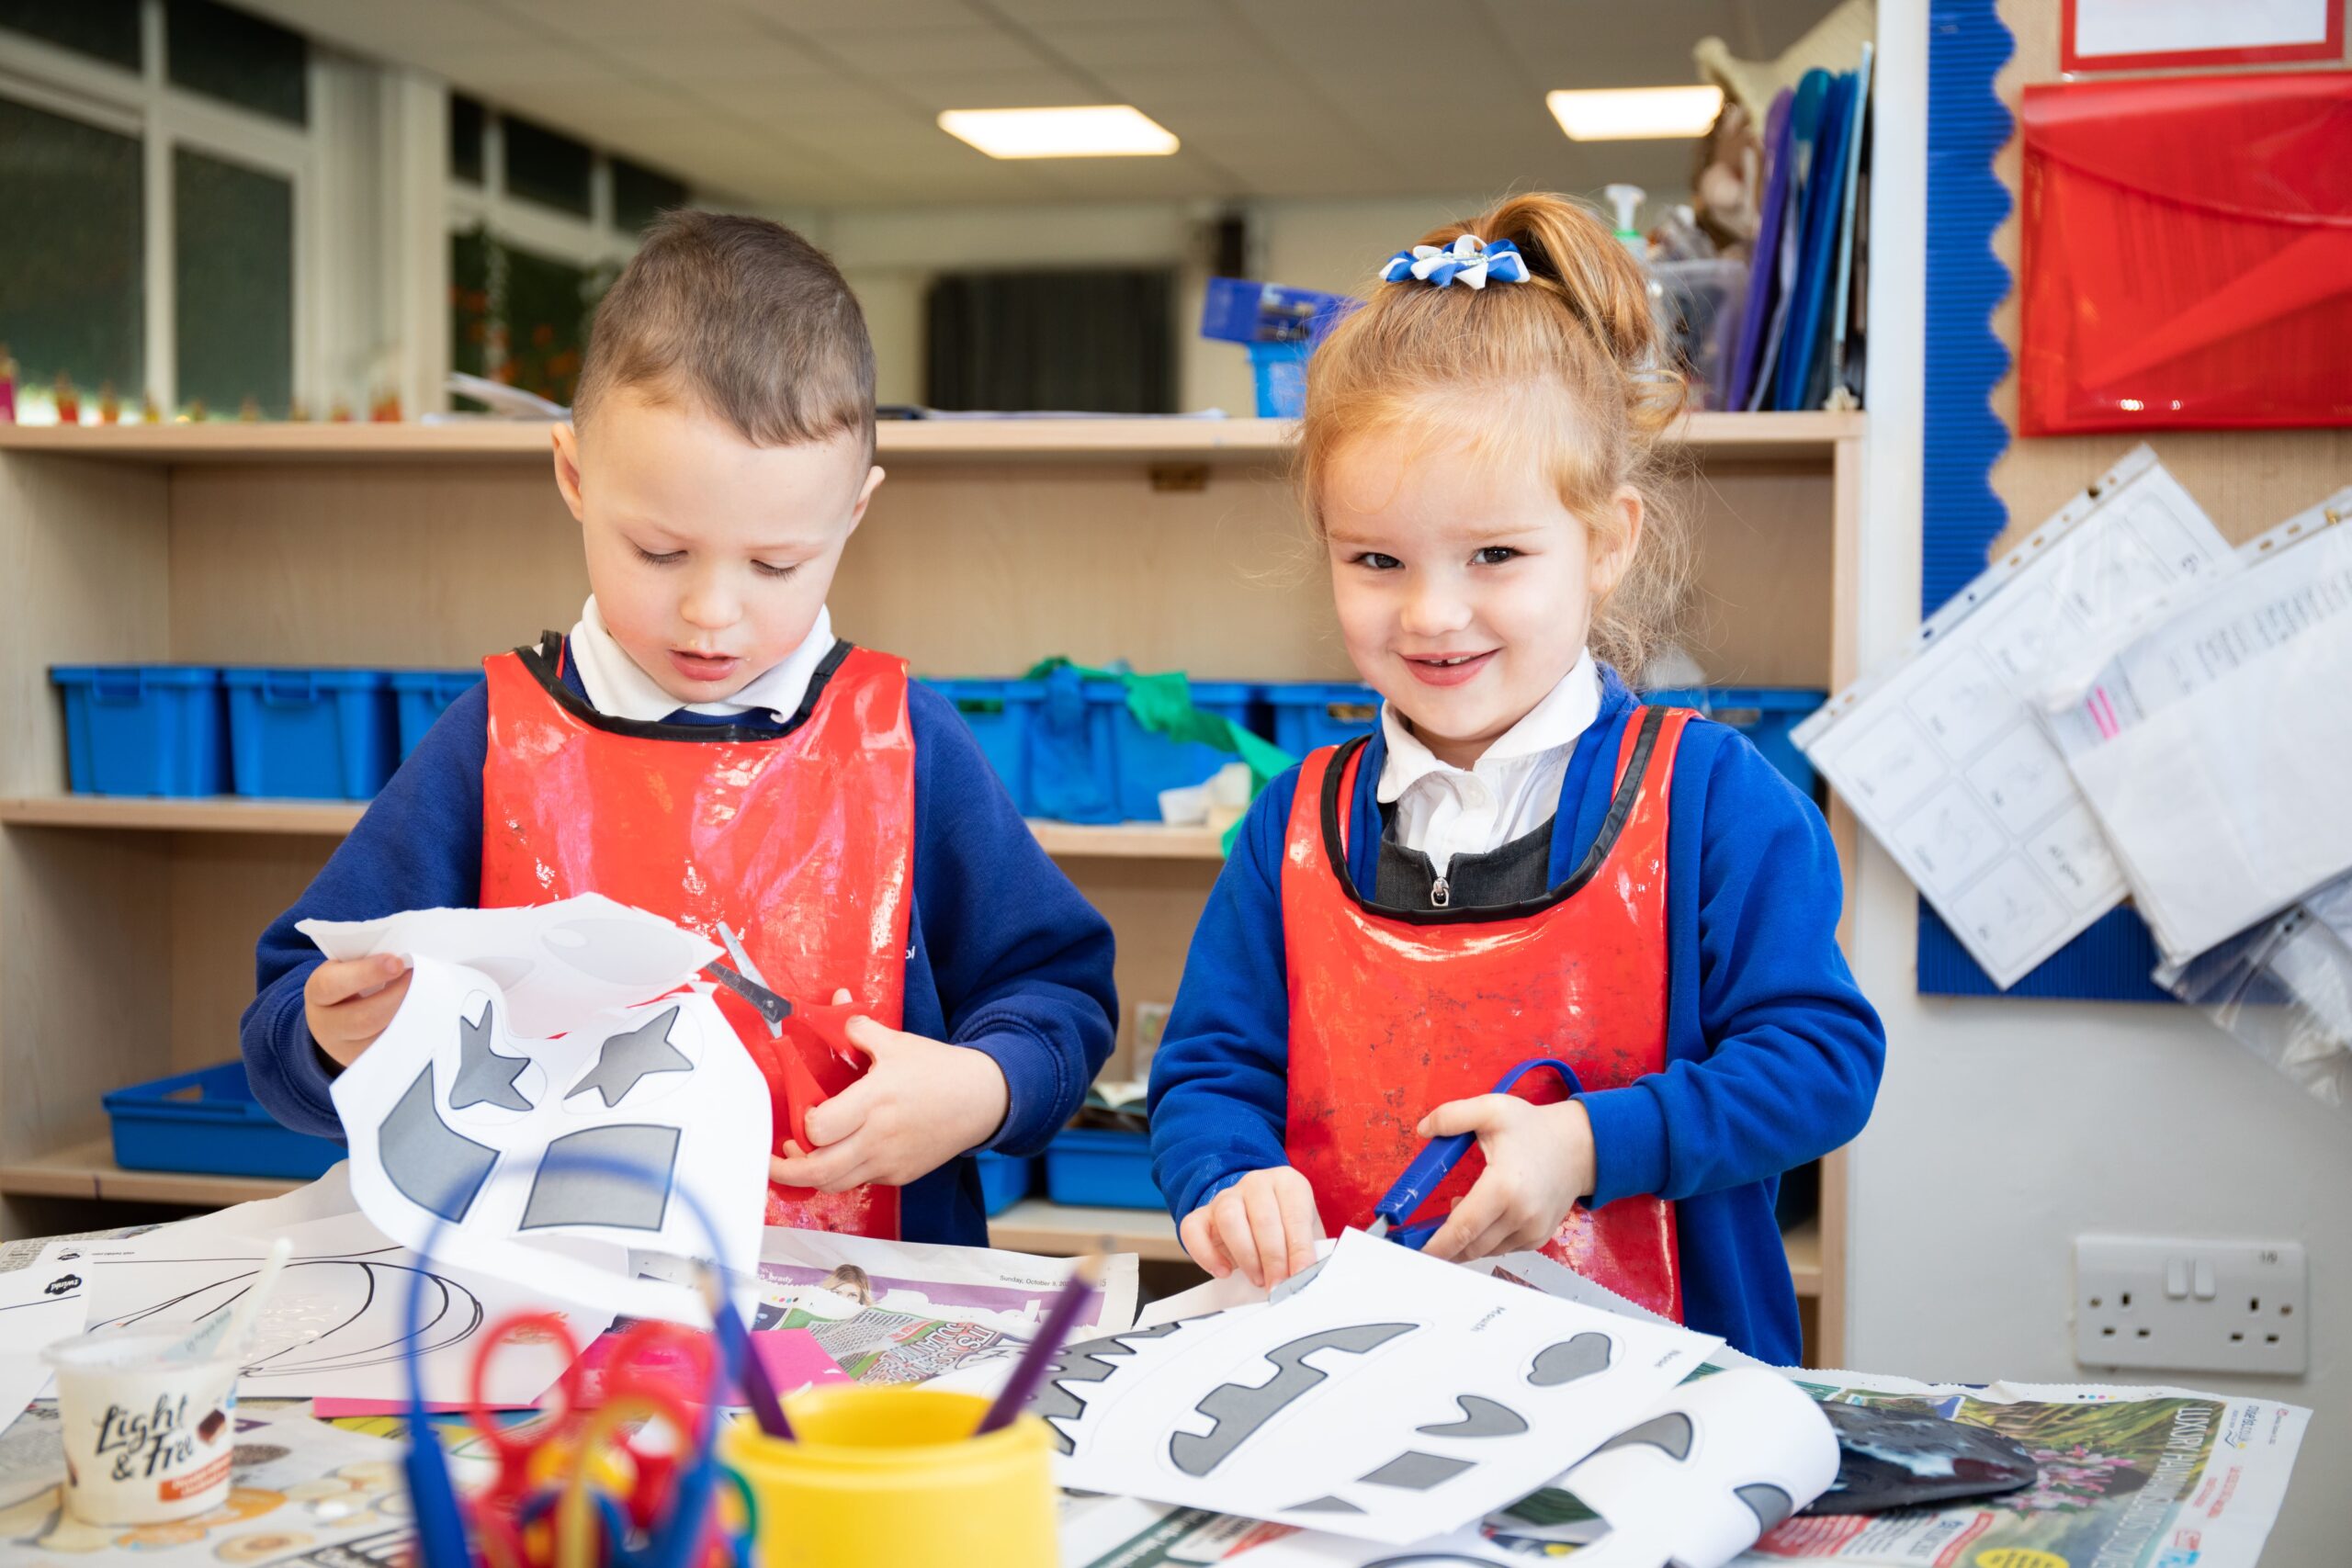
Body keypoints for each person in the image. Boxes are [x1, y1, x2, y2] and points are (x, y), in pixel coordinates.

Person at [243, 211, 1116, 1247]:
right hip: (541, 1307)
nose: (712, 613)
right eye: (660, 552)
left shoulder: (905, 744)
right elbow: (288, 1016)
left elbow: (1057, 991)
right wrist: (334, 1038)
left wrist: (983, 1086)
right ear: (574, 476)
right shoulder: (492, 743)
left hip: (852, 1303)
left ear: (853, 513)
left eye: (775, 564)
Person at [1147, 195, 1884, 1361]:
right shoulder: (1293, 822)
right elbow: (1208, 1073)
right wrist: (1224, 1175)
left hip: (1656, 1390)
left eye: (1494, 554)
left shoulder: (1710, 799)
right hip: (1356, 1377)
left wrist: (1587, 1145)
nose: (1432, 614)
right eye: (1376, 560)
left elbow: (1820, 1064)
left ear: (1606, 544)